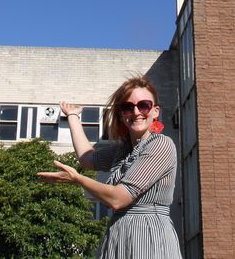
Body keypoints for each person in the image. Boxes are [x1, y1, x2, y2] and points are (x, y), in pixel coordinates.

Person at [37, 76, 182, 259]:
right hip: (118, 233)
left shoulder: (161, 145)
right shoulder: (122, 150)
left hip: (148, 236)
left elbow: (118, 198)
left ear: (155, 111)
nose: (136, 112)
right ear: (122, 115)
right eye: (128, 107)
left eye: (143, 105)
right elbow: (87, 159)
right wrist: (73, 116)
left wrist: (78, 179)